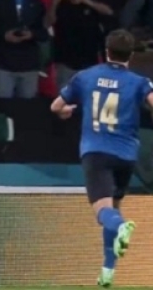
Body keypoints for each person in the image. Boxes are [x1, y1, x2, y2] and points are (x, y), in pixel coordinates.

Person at [50, 29, 149, 287]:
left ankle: (121, 226)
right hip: (126, 155)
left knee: (104, 212)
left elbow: (55, 106)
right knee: (113, 207)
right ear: (131, 55)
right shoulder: (139, 82)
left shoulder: (86, 76)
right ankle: (107, 271)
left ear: (106, 52)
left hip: (96, 152)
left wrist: (66, 110)